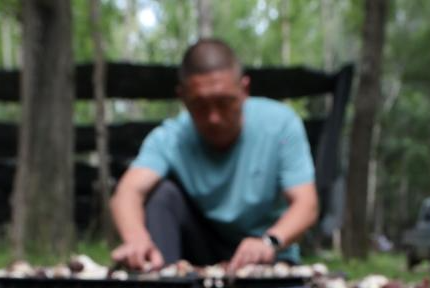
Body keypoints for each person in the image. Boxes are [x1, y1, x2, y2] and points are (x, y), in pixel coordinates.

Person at [110, 39, 319, 272]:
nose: (214, 118)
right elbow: (128, 192)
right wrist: (136, 238)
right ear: (183, 98)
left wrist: (269, 241)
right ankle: (162, 286)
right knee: (162, 195)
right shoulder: (170, 137)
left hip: (268, 253)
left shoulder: (282, 125)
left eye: (224, 102)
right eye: (200, 105)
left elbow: (306, 203)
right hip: (203, 252)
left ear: (244, 90)